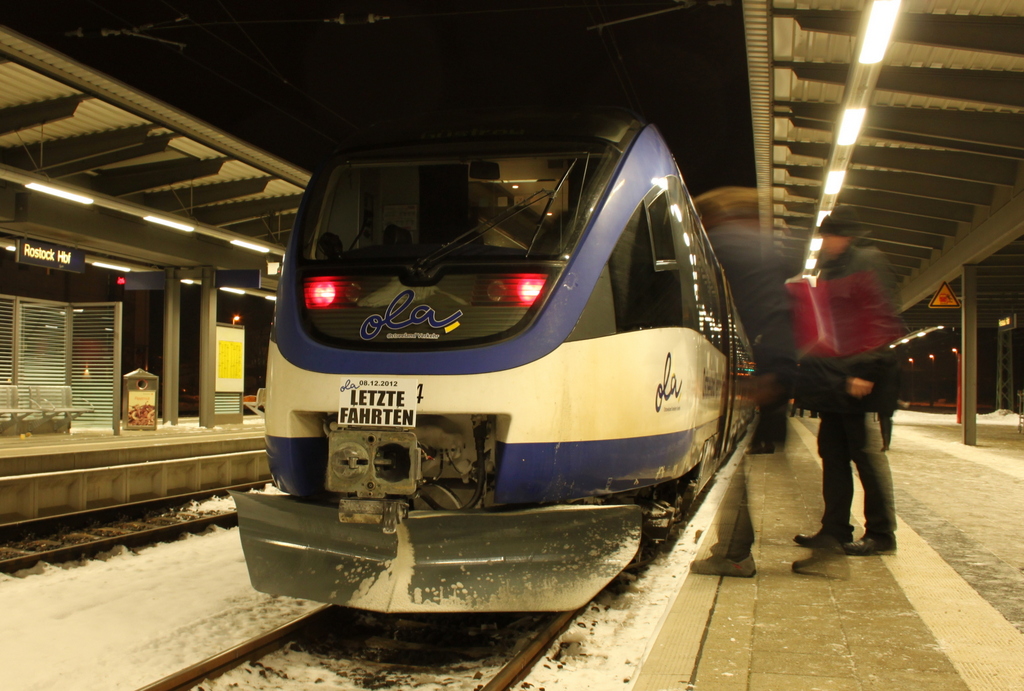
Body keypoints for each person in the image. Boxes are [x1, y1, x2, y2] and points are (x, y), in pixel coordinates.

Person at [688, 187, 798, 578]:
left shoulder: (723, 243)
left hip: (759, 367)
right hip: (770, 365)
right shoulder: (759, 247)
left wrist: (752, 378)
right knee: (735, 465)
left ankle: (735, 553)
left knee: (730, 467)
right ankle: (734, 549)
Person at [792, 206, 904, 558]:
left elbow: (882, 319)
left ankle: (883, 534)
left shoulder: (869, 262)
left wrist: (866, 372)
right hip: (834, 383)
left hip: (861, 384)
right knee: (833, 455)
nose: (824, 242)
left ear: (847, 236)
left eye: (829, 235)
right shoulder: (830, 269)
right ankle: (835, 529)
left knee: (867, 458)